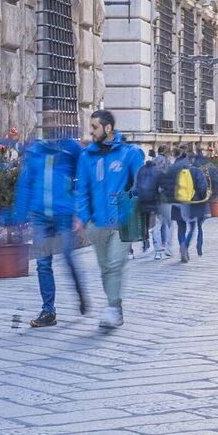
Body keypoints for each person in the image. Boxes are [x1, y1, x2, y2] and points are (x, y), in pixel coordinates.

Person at [74, 110, 145, 328]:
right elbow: (81, 189)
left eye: (95, 127)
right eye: (91, 127)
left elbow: (140, 184)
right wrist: (83, 217)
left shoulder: (130, 153)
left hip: (121, 221)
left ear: (108, 128)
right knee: (105, 267)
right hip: (97, 223)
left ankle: (112, 308)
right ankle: (115, 305)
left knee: (115, 264)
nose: (91, 131)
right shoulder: (86, 156)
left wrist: (128, 206)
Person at [17, 138, 84, 327]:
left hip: (64, 213)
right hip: (40, 216)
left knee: (68, 258)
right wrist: (20, 213)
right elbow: (26, 182)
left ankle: (79, 292)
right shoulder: (36, 150)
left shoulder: (71, 148)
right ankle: (48, 310)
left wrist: (80, 212)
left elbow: (83, 178)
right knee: (43, 263)